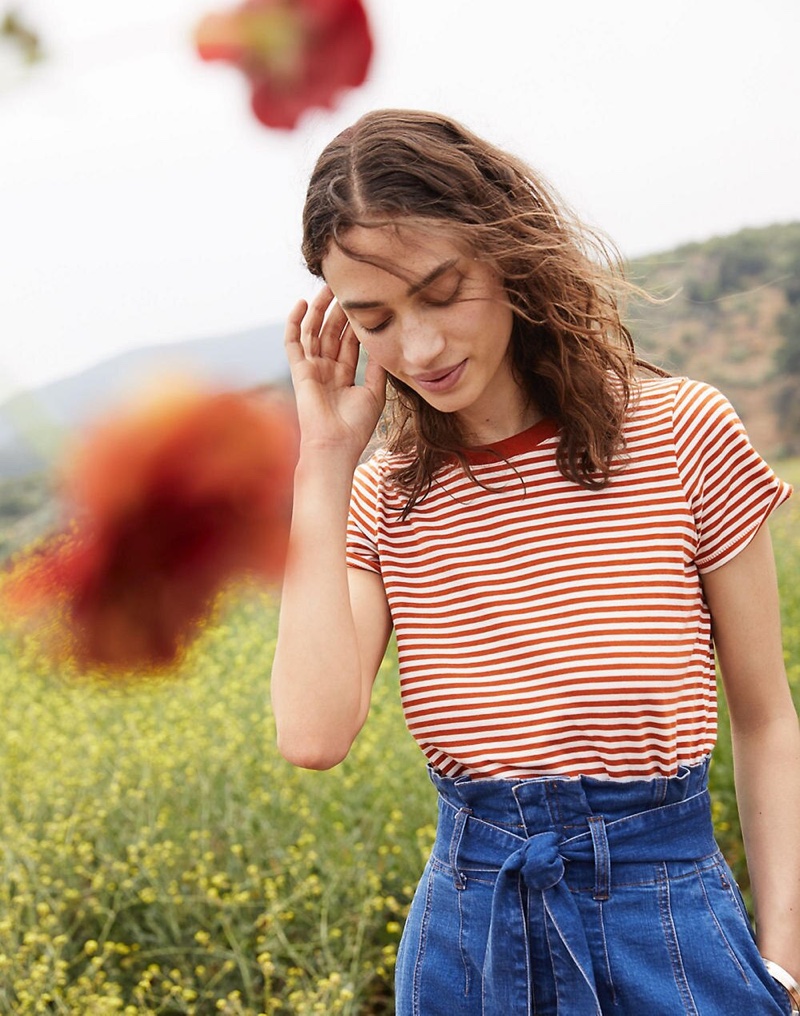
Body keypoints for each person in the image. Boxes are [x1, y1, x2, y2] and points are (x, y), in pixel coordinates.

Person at [270, 108, 800, 1015]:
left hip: (672, 931)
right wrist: (324, 464)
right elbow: (312, 737)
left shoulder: (682, 433)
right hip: (467, 952)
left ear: (509, 253)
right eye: (377, 320)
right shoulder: (382, 499)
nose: (421, 348)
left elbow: (765, 718)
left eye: (444, 292)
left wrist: (785, 960)